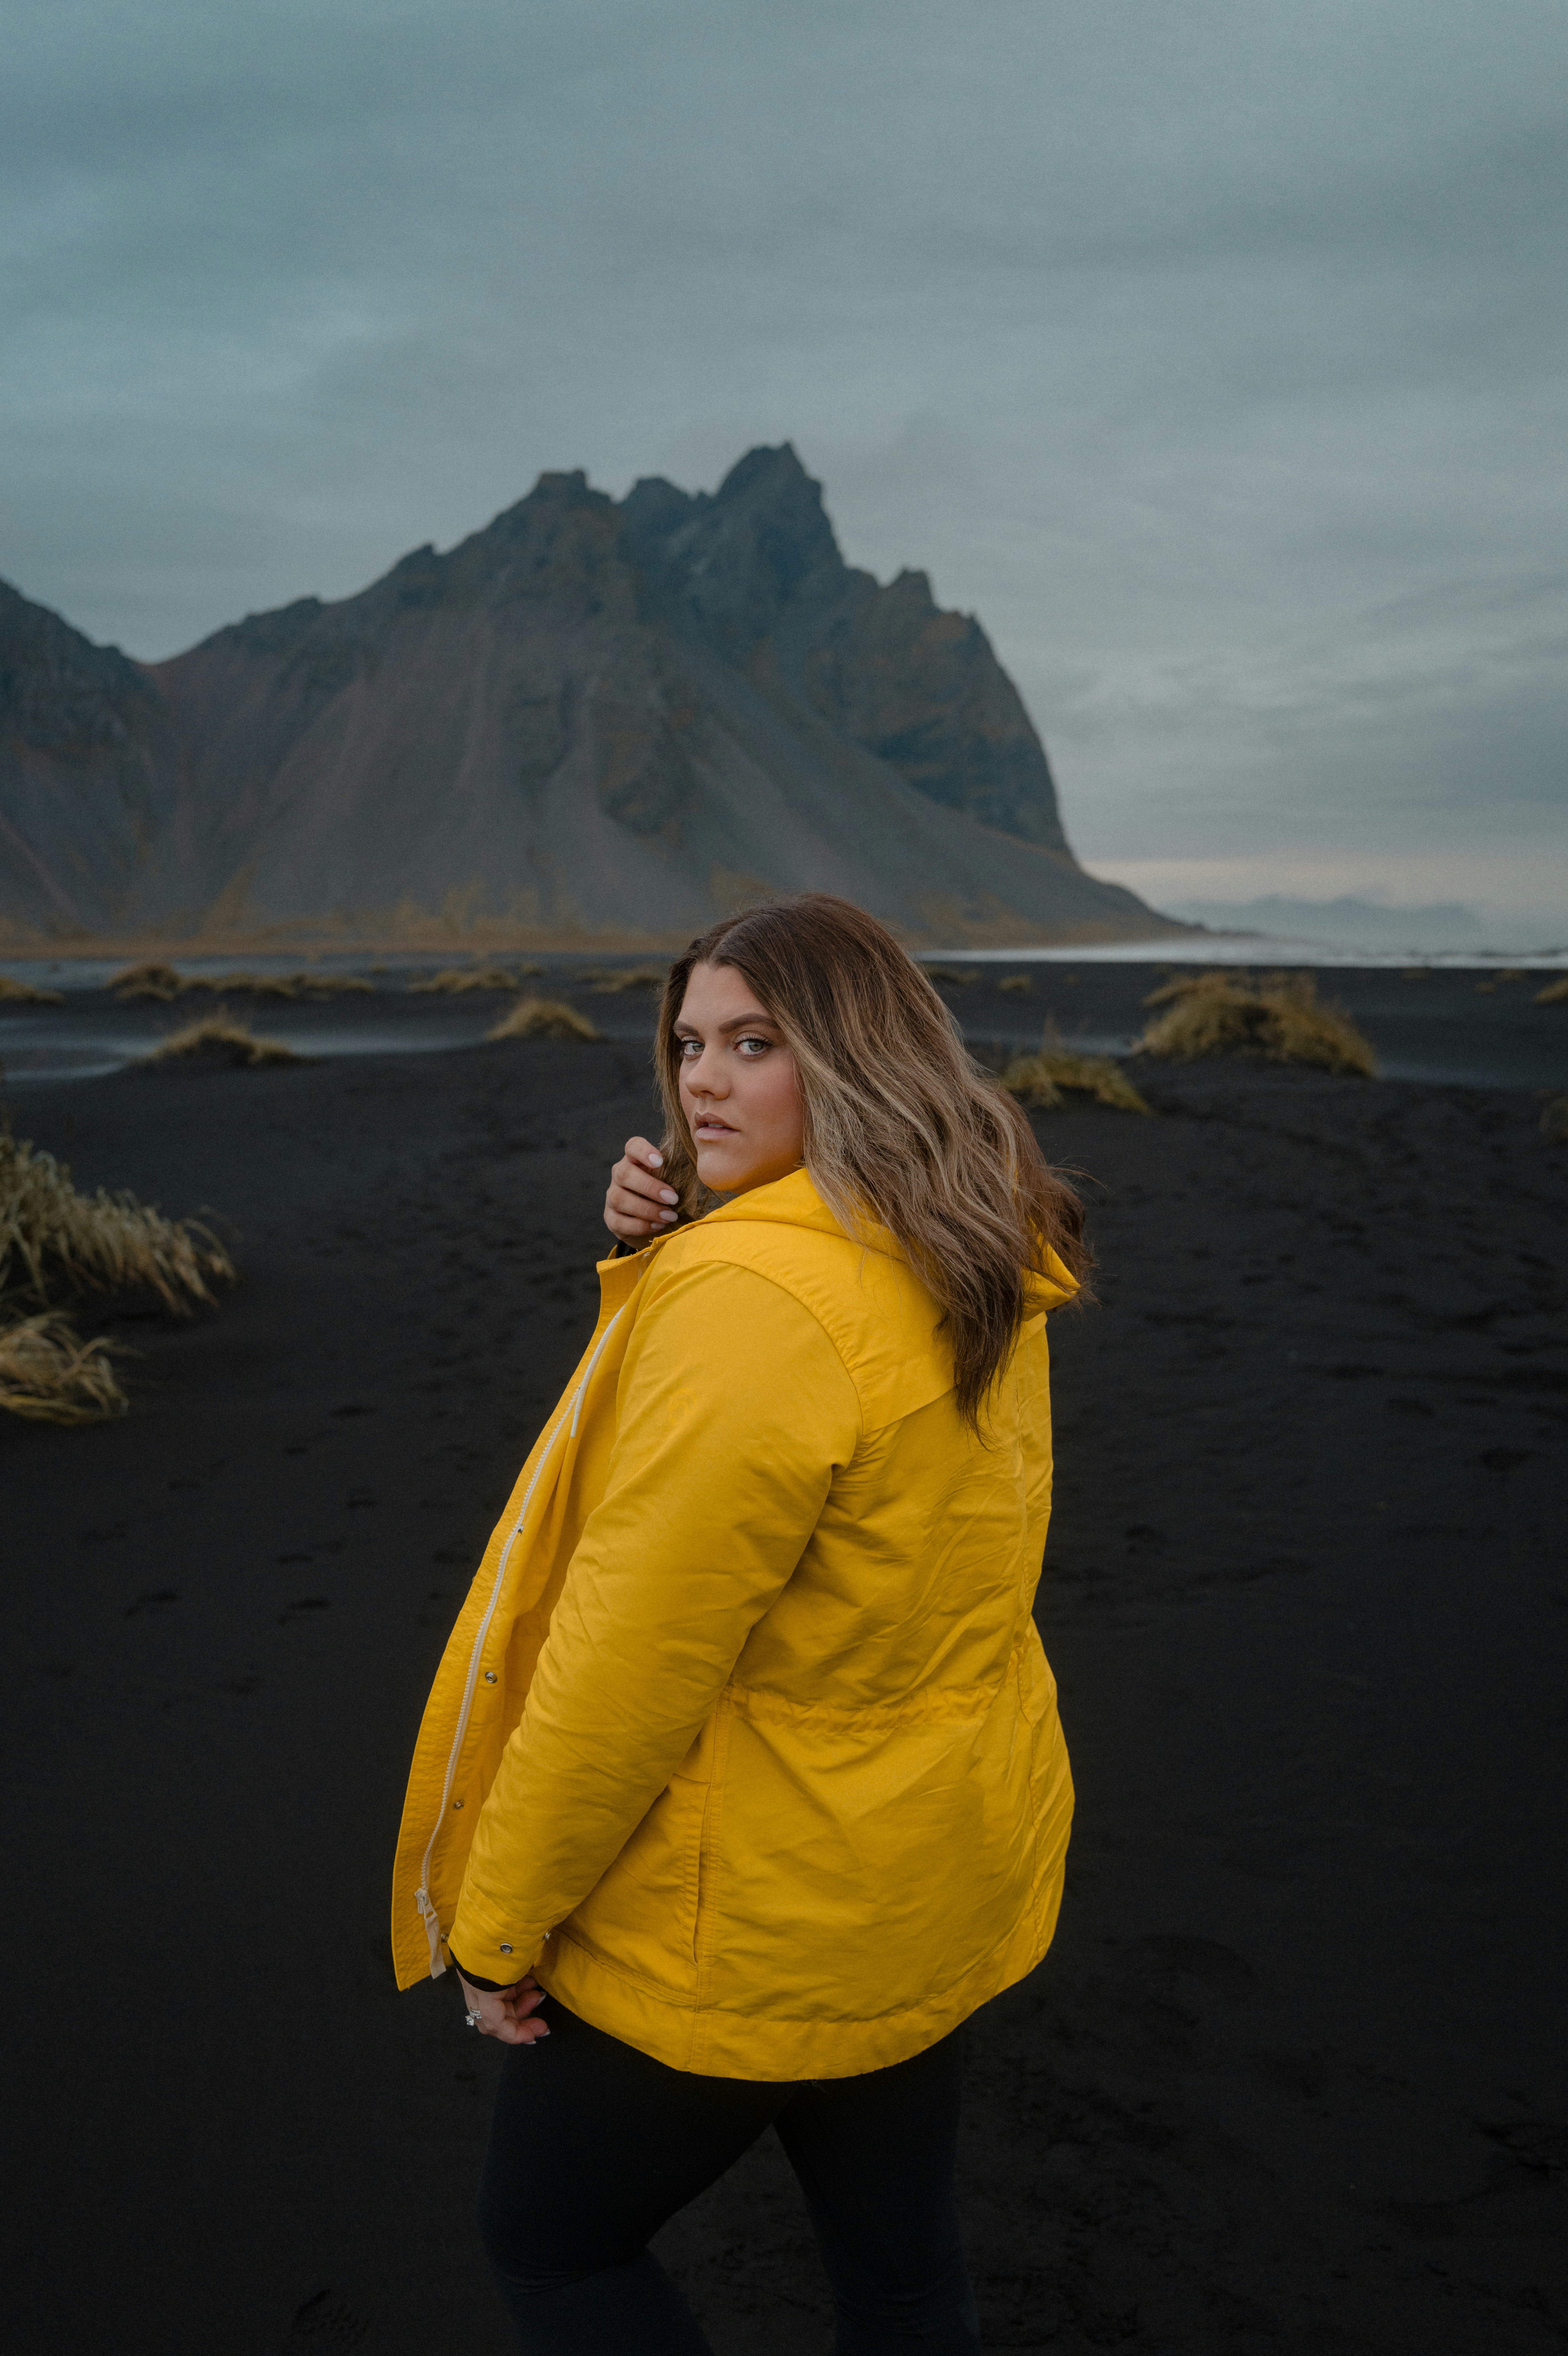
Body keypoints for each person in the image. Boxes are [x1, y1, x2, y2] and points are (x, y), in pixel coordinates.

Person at [390, 894, 1089, 2353]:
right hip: (923, 1876)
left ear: (850, 1056)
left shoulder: (759, 1303)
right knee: (900, 2272)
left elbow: (628, 1660)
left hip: (755, 1911)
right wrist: (689, 1249)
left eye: (754, 1042)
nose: (702, 1077)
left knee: (552, 2242)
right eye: (691, 1040)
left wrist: (499, 1918)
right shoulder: (971, 1240)